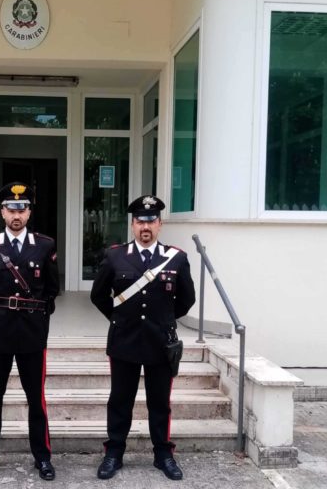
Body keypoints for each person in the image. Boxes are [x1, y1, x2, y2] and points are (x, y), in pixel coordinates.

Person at [89, 195, 196, 481]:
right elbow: (98, 295)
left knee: (159, 403)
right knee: (120, 400)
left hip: (161, 343)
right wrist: (118, 318)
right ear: (132, 224)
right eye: (139, 221)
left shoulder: (176, 258)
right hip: (124, 341)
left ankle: (163, 455)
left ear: (160, 224)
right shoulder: (115, 256)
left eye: (151, 221)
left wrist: (164, 320)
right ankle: (114, 453)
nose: (145, 227)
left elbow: (187, 300)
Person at [0, 182, 60, 482]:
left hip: (32, 333)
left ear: (30, 212)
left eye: (22, 209)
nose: (17, 215)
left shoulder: (45, 245)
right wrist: (0, 310)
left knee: (36, 399)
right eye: (11, 209)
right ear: (2, 212)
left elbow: (52, 289)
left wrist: (36, 317)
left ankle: (43, 457)